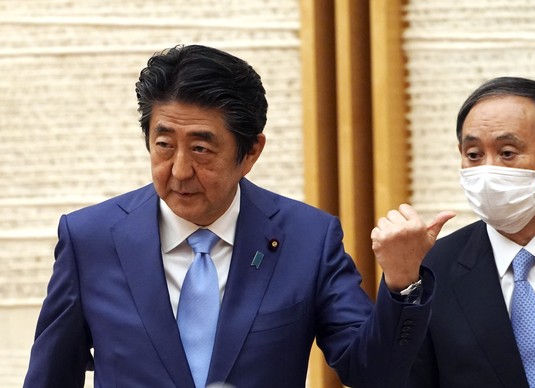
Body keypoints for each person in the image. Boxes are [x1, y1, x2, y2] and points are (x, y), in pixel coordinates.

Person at [23, 44, 452, 388]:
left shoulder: (308, 238)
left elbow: (373, 374)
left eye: (202, 148)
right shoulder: (89, 239)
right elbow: (50, 376)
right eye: (164, 144)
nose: (179, 170)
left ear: (250, 153)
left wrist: (402, 283)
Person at [399, 76, 535, 387]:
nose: (488, 170)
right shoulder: (430, 271)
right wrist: (399, 283)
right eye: (473, 155)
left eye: (507, 153)